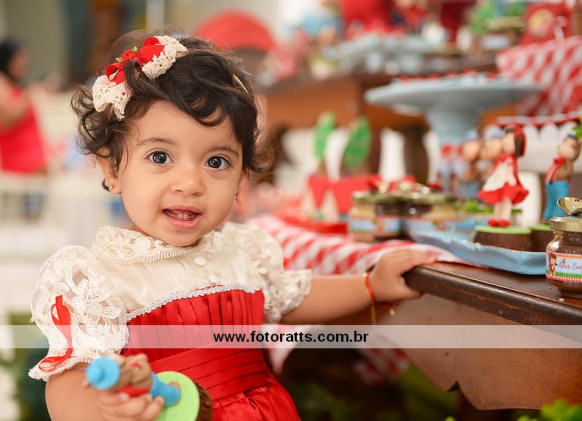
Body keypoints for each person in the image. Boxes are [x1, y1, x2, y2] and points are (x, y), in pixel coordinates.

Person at [28, 30, 435, 421]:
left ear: (242, 176)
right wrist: (102, 409)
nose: (190, 183)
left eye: (216, 162)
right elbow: (67, 381)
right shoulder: (101, 280)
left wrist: (370, 285)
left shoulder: (241, 254)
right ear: (112, 167)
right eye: (160, 157)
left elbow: (294, 297)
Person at [0, 37, 46, 174]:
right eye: (20, 57)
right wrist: (29, 94)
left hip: (33, 159)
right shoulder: (2, 82)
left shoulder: (14, 85)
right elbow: (6, 119)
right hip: (21, 162)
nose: (25, 62)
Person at [478, 126, 529, 227]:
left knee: (506, 201)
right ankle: (496, 217)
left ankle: (505, 218)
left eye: (510, 139)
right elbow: (497, 168)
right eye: (506, 137)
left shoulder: (510, 159)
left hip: (508, 183)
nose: (506, 141)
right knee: (498, 201)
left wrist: (511, 177)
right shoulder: (501, 157)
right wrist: (492, 177)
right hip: (499, 182)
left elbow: (511, 169)